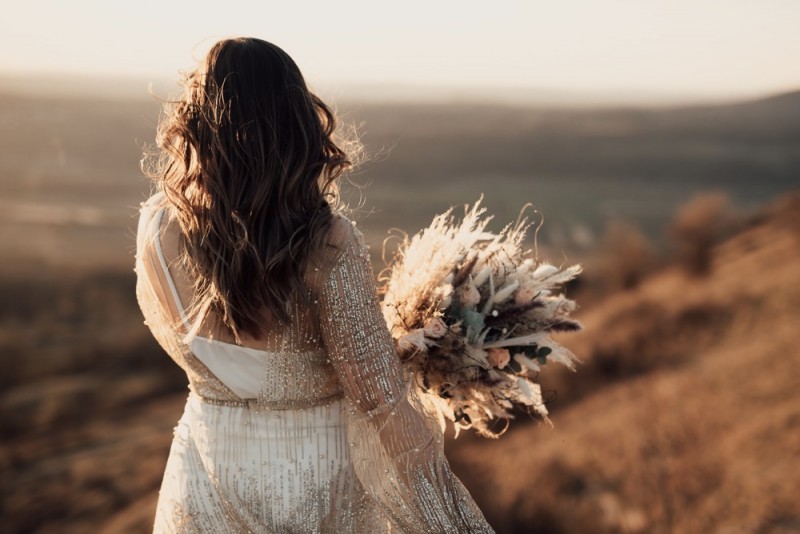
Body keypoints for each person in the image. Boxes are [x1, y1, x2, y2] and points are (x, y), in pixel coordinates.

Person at [135, 37, 494, 533]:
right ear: (296, 125)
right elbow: (383, 404)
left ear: (198, 121)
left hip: (204, 469)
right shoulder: (327, 243)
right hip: (312, 481)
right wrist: (451, 520)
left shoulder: (157, 227)